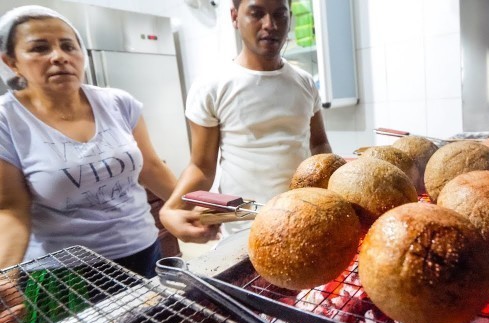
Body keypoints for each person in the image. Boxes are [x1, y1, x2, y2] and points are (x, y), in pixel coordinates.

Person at [0, 5, 177, 278]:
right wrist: (5, 274)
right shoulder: (7, 119)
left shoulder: (118, 102)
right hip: (64, 272)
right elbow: (11, 209)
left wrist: (197, 206)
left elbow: (151, 168)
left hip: (142, 248)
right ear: (12, 62)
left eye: (69, 46)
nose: (59, 56)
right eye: (39, 48)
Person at [160, 0, 331, 243]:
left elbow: (320, 146)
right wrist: (172, 209)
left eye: (280, 15)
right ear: (234, 17)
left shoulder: (304, 82)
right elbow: (201, 167)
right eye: (256, 13)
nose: (270, 25)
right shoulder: (212, 86)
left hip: (304, 219)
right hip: (245, 230)